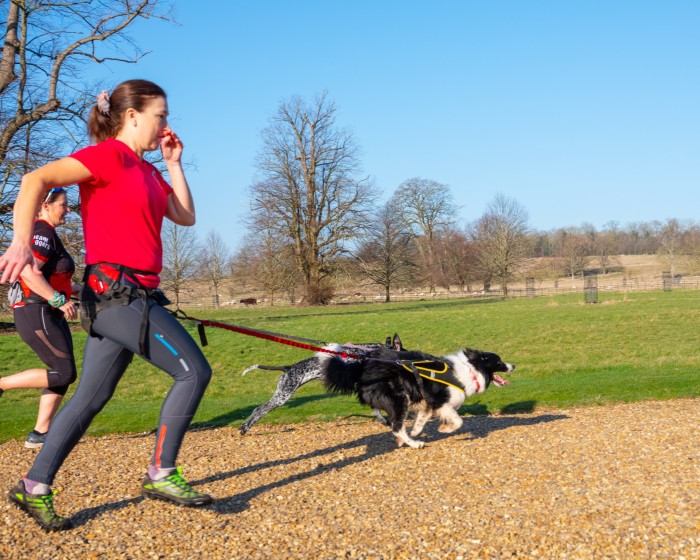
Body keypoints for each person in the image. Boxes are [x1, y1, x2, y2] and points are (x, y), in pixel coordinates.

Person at [0, 79, 213, 531]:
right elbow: (34, 179)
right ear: (132, 116)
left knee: (90, 398)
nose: (165, 125)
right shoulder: (107, 157)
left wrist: (174, 164)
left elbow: (186, 217)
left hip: (136, 293)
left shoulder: (149, 170)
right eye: (160, 115)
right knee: (194, 371)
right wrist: (20, 243)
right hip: (116, 294)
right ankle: (161, 472)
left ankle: (33, 486)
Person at [0, 187, 79, 448]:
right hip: (36, 310)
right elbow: (28, 270)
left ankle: (39, 433)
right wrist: (57, 299)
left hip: (47, 311)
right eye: (63, 205)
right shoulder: (42, 232)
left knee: (64, 372)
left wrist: (80, 292)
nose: (68, 209)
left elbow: (52, 277)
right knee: (63, 371)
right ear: (45, 205)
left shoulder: (49, 234)